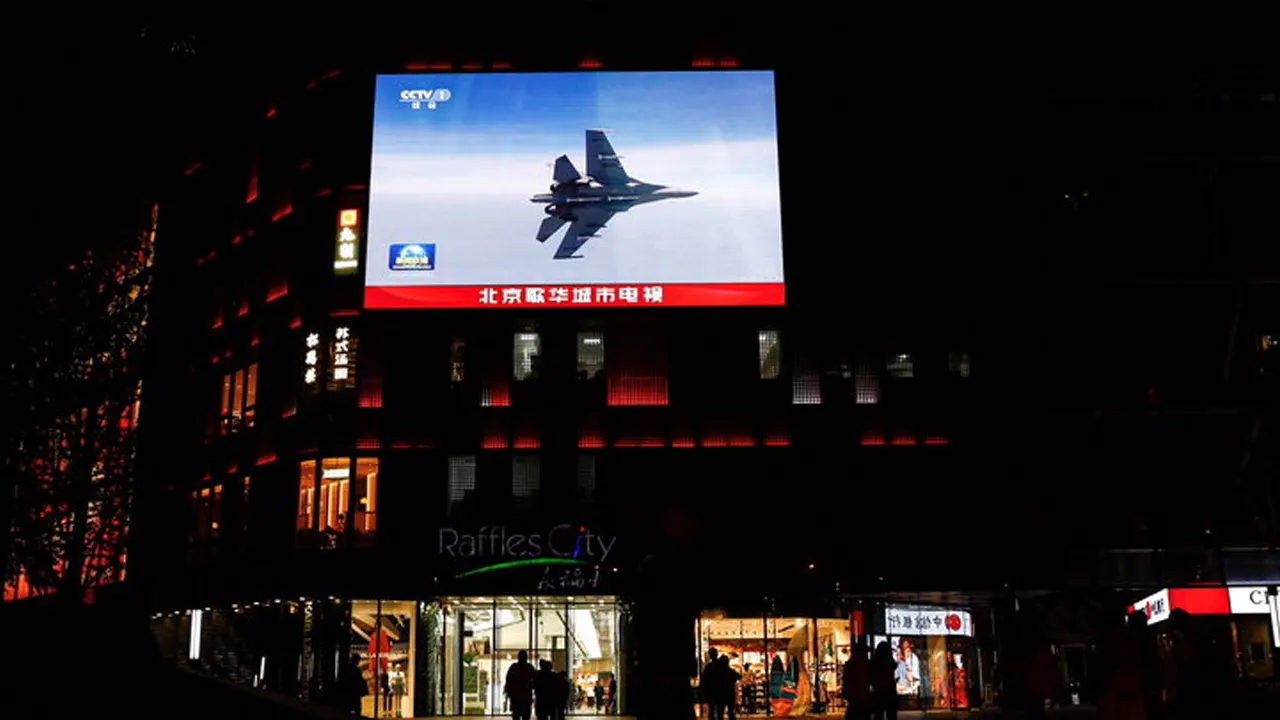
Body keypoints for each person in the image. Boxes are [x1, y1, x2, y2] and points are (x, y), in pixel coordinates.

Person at [842, 641, 871, 720]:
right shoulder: (866, 665)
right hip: (862, 696)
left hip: (854, 697)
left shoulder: (850, 665)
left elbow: (845, 680)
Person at [505, 650, 536, 720]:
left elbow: (508, 680)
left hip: (516, 696)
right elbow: (534, 680)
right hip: (526, 696)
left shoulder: (514, 667)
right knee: (525, 716)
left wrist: (509, 692)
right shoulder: (529, 667)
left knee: (516, 715)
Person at [871, 642, 898, 720]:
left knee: (878, 713)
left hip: (878, 689)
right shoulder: (890, 660)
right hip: (890, 688)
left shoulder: (875, 661)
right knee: (891, 713)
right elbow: (894, 666)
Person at [715, 655, 740, 720]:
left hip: (720, 694)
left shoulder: (718, 672)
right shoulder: (730, 671)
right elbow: (738, 676)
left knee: (720, 713)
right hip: (729, 693)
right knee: (730, 712)